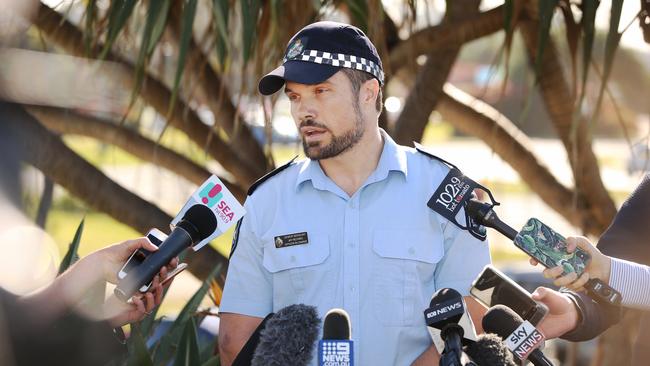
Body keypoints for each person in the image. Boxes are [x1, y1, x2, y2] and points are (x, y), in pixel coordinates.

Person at [218, 21, 491, 366]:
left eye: (321, 91)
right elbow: (235, 341)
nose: (304, 111)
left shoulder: (445, 192)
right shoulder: (266, 201)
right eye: (295, 96)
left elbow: (473, 314)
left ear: (369, 93)